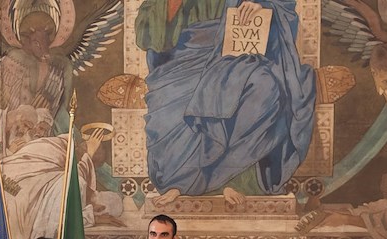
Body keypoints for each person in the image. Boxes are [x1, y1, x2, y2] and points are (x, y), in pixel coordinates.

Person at [135, 0, 315, 205]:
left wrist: (264, 8)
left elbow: (283, 8)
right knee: (178, 103)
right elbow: (145, 36)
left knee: (266, 86)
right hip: (181, 60)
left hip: (231, 57)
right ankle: (184, 182)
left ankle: (232, 179)